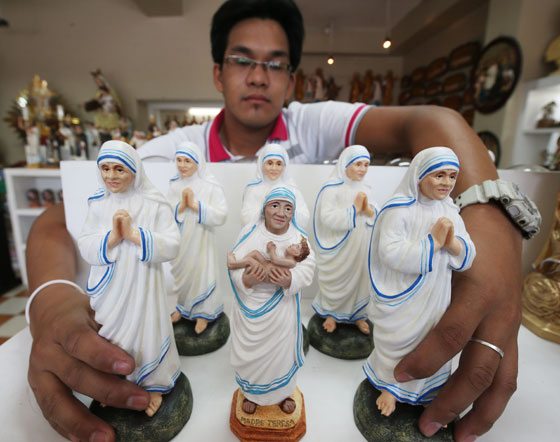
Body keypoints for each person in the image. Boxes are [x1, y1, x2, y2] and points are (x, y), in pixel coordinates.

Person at [26, 1, 523, 441]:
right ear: (218, 72)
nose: (259, 76)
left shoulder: (317, 126)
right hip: (193, 283)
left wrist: (493, 227)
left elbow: (436, 123)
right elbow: (61, 216)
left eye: (275, 64)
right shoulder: (172, 152)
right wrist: (49, 295)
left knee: (297, 332)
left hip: (300, 299)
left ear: (292, 78)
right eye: (242, 60)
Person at [364, 147, 476, 417]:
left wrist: (452, 244)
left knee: (430, 338)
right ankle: (391, 387)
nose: (446, 183)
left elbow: (468, 253)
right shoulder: (398, 210)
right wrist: (432, 243)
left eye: (452, 176)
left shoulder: (450, 211)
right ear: (420, 175)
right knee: (399, 339)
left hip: (435, 293)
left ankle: (426, 391)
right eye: (439, 175)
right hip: (403, 294)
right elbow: (388, 252)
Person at [78, 140, 181, 417]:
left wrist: (135, 235)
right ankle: (119, 382)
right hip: (112, 288)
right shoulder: (99, 204)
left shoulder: (153, 203)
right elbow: (86, 244)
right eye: (105, 168)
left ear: (134, 171)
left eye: (119, 169)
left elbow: (172, 244)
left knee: (148, 330)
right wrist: (112, 237)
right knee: (114, 334)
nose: (111, 176)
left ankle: (154, 384)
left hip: (144, 286)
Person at [228, 187, 315, 414]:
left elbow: (308, 268)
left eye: (288, 208)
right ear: (264, 208)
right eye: (275, 205)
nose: (281, 212)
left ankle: (283, 393)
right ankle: (252, 394)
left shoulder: (299, 238)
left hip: (282, 308)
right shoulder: (250, 232)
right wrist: (246, 280)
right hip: (252, 305)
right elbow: (234, 263)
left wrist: (290, 280)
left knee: (281, 355)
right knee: (252, 358)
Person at [311, 145, 376, 335]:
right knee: (339, 279)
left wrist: (369, 211)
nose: (363, 169)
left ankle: (358, 315)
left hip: (361, 243)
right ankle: (331, 313)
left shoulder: (367, 189)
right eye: (358, 164)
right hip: (340, 245)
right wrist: (354, 210)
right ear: (345, 165)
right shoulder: (332, 189)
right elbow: (327, 218)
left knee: (360, 278)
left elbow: (374, 214)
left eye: (366, 165)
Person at [166, 141, 228, 334]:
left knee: (202, 273)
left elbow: (221, 214)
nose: (182, 165)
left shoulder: (210, 186)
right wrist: (180, 208)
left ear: (197, 163)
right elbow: (166, 211)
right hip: (182, 241)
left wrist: (196, 206)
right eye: (179, 160)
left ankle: (203, 313)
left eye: (187, 161)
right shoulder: (174, 185)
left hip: (201, 240)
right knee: (182, 278)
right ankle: (182, 308)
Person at [240, 143, 309, 228]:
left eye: (279, 164)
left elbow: (305, 217)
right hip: (258, 235)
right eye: (269, 163)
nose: (274, 168)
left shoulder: (292, 189)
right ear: (262, 165)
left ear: (284, 166)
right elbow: (245, 218)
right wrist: (265, 210)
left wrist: (287, 212)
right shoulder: (254, 188)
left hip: (286, 236)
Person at [227, 235, 310, 271]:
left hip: (266, 270)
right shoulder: (288, 259)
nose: (293, 244)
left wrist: (271, 249)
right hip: (266, 264)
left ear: (297, 254)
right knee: (255, 253)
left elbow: (275, 260)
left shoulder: (292, 263)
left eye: (297, 246)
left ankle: (232, 264)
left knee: (249, 260)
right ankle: (239, 263)